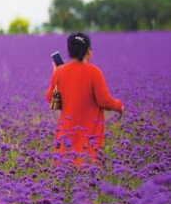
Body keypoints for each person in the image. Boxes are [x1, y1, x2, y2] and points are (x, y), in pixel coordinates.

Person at [45, 32, 124, 165]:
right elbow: (104, 100)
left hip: (65, 136)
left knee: (64, 175)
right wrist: (119, 106)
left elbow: (51, 100)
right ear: (88, 50)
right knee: (86, 171)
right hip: (88, 136)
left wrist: (55, 74)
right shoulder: (94, 72)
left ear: (69, 51)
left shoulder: (59, 72)